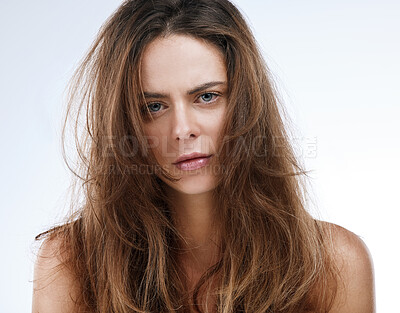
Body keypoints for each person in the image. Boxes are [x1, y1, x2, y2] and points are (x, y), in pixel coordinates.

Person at [32, 0, 375, 312]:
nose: (182, 129)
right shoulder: (70, 263)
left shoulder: (334, 264)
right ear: (125, 123)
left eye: (207, 97)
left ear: (245, 102)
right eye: (154, 106)